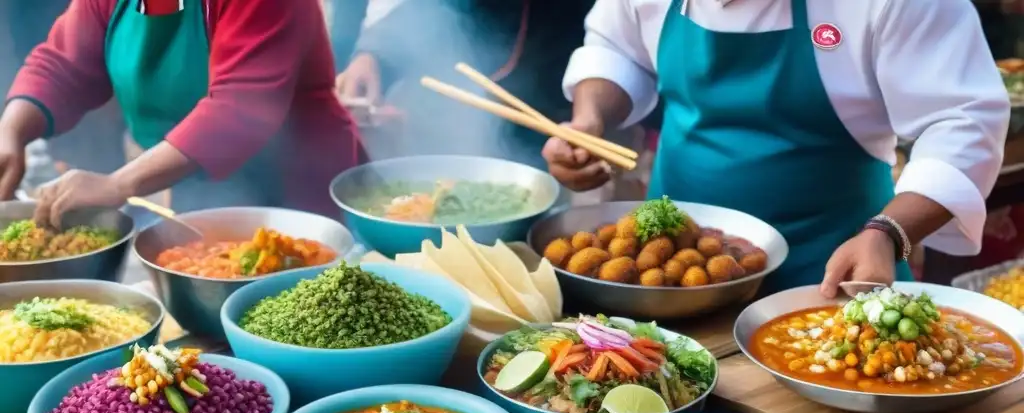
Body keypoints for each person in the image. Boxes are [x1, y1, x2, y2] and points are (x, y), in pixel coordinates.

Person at [542, 0, 1011, 296]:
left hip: (834, 278)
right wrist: (590, 120)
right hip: (669, 278)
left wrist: (889, 232)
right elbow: (616, 47)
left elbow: (962, 121)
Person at [0, 0, 364, 225]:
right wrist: (11, 132)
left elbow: (238, 109)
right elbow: (63, 65)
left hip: (303, 198)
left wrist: (119, 184)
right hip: (198, 192)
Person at [335, 0, 596, 167]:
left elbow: (615, 39)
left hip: (558, 117)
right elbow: (438, 9)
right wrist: (374, 54)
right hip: (458, 119)